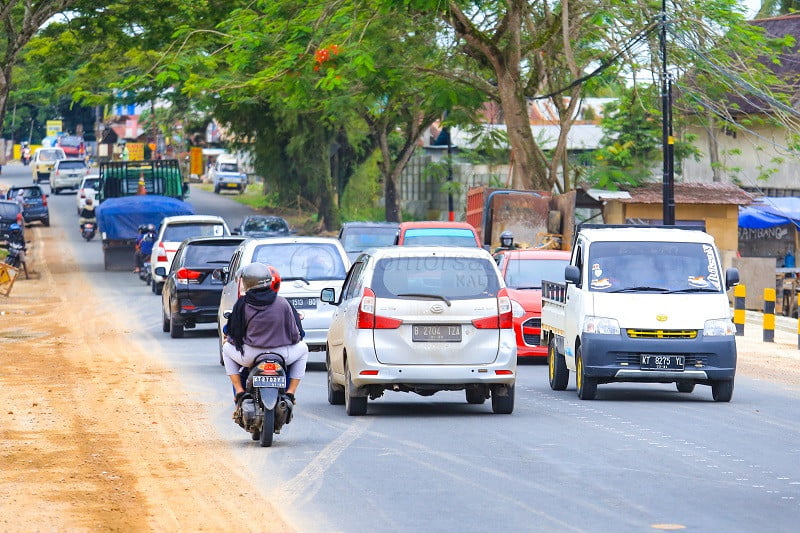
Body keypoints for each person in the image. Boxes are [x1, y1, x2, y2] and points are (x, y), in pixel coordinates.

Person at [221, 263, 308, 410]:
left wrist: (229, 341)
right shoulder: (283, 303)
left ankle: (240, 391)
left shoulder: (242, 304)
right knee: (304, 349)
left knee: (226, 349)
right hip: (281, 355)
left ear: (247, 282)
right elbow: (295, 336)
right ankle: (291, 392)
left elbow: (233, 334)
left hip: (251, 356)